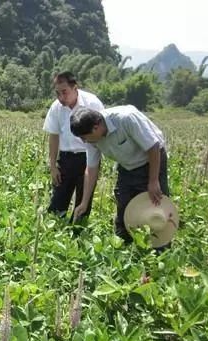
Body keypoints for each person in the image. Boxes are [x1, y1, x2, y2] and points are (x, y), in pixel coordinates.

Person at [70, 105, 170, 246]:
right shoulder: (91, 138)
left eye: (84, 137)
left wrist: (153, 181)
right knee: (124, 206)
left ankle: (160, 250)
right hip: (126, 165)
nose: (84, 141)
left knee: (155, 205)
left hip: (151, 160)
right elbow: (91, 169)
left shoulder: (126, 119)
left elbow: (153, 147)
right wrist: (84, 202)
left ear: (96, 127)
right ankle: (124, 248)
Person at [43, 71, 104, 222]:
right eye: (57, 93)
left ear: (75, 88)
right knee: (57, 202)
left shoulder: (92, 103)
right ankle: (53, 231)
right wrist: (52, 166)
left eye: (64, 92)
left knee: (83, 202)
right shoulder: (56, 107)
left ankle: (77, 235)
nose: (61, 97)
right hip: (66, 158)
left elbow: (102, 131)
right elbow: (54, 135)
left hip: (88, 156)